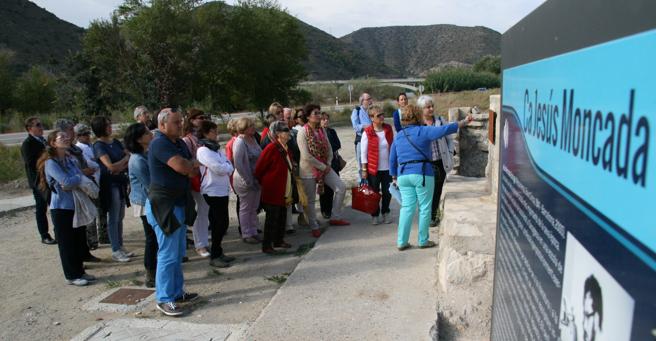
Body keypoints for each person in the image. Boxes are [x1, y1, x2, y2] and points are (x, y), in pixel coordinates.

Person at [389, 104, 471, 250]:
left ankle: (401, 242)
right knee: (425, 207)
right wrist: (463, 122)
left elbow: (392, 158)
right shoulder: (423, 131)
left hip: (403, 175)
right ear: (417, 116)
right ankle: (423, 240)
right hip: (422, 172)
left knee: (407, 208)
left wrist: (394, 176)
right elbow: (444, 129)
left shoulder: (399, 135)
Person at [146, 107, 199, 316]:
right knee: (168, 253)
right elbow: (183, 167)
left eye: (180, 121)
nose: (180, 125)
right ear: (162, 125)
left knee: (177, 253)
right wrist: (189, 166)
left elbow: (193, 168)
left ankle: (177, 292)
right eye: (176, 122)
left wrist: (189, 166)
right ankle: (164, 298)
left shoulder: (178, 143)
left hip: (177, 202)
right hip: (164, 204)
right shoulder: (159, 143)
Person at [38, 130, 97, 286]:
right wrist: (76, 179)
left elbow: (73, 180)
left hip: (75, 205)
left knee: (78, 239)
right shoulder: (51, 163)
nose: (66, 138)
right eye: (61, 137)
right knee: (66, 242)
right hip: (61, 208)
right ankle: (71, 275)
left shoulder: (69, 160)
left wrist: (74, 180)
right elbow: (67, 180)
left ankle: (80, 271)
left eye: (66, 136)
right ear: (53, 143)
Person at [298, 104, 350, 238]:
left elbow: (329, 149)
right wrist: (323, 166)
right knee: (310, 200)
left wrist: (327, 164)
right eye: (316, 113)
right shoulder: (302, 132)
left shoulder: (321, 130)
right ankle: (314, 225)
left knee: (341, 187)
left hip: (325, 167)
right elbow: (306, 155)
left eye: (319, 113)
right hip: (308, 170)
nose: (319, 115)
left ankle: (335, 217)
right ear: (308, 116)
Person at [54, 119, 101, 263]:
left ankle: (84, 252)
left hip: (82, 190)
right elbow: (66, 180)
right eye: (68, 131)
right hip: (67, 198)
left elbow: (78, 168)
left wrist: (81, 174)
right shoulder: (56, 157)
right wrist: (80, 175)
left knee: (82, 225)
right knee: (71, 234)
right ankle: (78, 260)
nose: (71, 134)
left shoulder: (74, 149)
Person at [91, 116, 133, 263]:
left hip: (120, 181)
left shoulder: (115, 142)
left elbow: (125, 159)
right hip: (109, 184)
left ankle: (120, 245)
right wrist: (123, 161)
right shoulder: (98, 145)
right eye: (107, 125)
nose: (110, 127)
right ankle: (115, 249)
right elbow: (110, 167)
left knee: (120, 216)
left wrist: (120, 164)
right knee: (113, 217)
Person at [196, 120, 236, 268]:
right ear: (206, 133)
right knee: (219, 223)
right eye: (214, 131)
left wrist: (225, 167)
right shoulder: (203, 150)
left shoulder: (216, 150)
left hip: (222, 190)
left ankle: (218, 252)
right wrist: (225, 167)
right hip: (212, 190)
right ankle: (214, 255)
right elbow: (218, 168)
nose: (216, 134)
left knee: (222, 222)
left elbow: (228, 165)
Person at [125, 123, 158, 288]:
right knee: (151, 238)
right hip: (145, 202)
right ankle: (150, 273)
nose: (150, 133)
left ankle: (156, 269)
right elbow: (150, 184)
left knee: (156, 237)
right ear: (138, 139)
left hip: (151, 199)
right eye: (146, 133)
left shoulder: (146, 153)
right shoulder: (137, 160)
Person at [255, 121, 294, 254]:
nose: (288, 132)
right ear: (277, 133)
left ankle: (278, 240)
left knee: (282, 216)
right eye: (285, 130)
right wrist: (268, 182)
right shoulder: (271, 148)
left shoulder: (285, 147)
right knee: (272, 218)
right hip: (273, 189)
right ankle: (267, 245)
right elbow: (259, 169)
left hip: (284, 189)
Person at [417, 95, 456, 227]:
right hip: (425, 163)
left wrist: (450, 153)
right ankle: (425, 216)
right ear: (421, 109)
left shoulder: (440, 120)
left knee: (437, 189)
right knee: (425, 191)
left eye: (432, 106)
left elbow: (450, 139)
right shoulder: (418, 124)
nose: (431, 109)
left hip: (439, 161)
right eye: (428, 107)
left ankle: (432, 217)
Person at [20, 117, 55, 245]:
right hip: (38, 181)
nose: (41, 127)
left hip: (49, 179)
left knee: (55, 205)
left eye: (42, 125)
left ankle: (58, 231)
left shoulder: (43, 141)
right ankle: (44, 235)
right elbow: (30, 163)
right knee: (41, 208)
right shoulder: (27, 144)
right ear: (30, 129)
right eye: (38, 125)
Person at [182, 109, 211, 258]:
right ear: (192, 120)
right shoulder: (187, 140)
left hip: (206, 178)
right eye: (201, 117)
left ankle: (203, 238)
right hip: (195, 179)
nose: (203, 119)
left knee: (205, 210)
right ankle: (200, 244)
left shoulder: (202, 137)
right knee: (200, 210)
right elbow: (187, 161)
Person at [361, 105, 394, 225]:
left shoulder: (388, 129)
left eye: (382, 114)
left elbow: (393, 146)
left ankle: (386, 212)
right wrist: (364, 169)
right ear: (371, 118)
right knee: (374, 193)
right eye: (378, 115)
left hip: (388, 168)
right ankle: (374, 214)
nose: (382, 117)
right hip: (373, 169)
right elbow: (363, 152)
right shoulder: (367, 132)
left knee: (388, 192)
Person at [232, 117, 262, 244]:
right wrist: (248, 179)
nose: (253, 128)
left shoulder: (253, 139)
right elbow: (238, 163)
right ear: (243, 128)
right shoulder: (240, 142)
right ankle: (246, 233)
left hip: (256, 178)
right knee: (246, 207)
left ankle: (254, 231)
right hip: (244, 179)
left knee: (254, 206)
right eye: (250, 126)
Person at [75, 123, 104, 250]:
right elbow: (92, 165)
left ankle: (103, 235)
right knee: (91, 213)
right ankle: (92, 241)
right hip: (89, 184)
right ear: (78, 136)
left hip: (99, 181)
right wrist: (98, 162)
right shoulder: (79, 148)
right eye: (83, 134)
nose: (87, 136)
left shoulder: (91, 146)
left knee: (101, 211)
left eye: (88, 133)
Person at [318, 112, 342, 219]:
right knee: (324, 189)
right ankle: (325, 210)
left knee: (334, 188)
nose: (325, 121)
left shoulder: (332, 131)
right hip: (323, 164)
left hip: (334, 163)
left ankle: (332, 208)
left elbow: (337, 144)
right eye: (323, 119)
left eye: (327, 119)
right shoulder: (318, 133)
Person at [351, 93, 373, 180]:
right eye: (368, 99)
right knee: (361, 162)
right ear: (362, 101)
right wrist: (366, 126)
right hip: (361, 140)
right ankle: (362, 183)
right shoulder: (357, 111)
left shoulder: (372, 111)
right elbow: (355, 126)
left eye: (370, 98)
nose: (370, 101)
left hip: (372, 140)